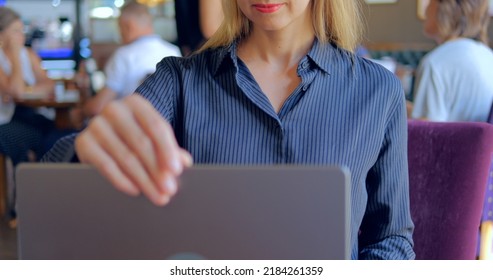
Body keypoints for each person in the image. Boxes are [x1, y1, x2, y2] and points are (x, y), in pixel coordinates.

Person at [44, 0, 415, 260]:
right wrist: (88, 151)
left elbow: (392, 238)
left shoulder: (378, 91)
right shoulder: (180, 80)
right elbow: (59, 180)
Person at [82, 1, 181, 118]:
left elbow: (97, 108)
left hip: (129, 130)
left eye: (120, 28)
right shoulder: (173, 51)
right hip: (168, 131)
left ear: (128, 27)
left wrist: (81, 109)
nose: (119, 34)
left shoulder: (123, 55)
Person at [411, 0, 493, 121]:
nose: (425, 8)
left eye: (430, 2)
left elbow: (426, 132)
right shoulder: (487, 56)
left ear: (445, 9)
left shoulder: (436, 63)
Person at [0, 6, 55, 166]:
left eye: (21, 30)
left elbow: (49, 84)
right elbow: (17, 91)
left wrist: (27, 90)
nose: (21, 35)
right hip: (7, 120)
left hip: (32, 116)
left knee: (54, 133)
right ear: (2, 34)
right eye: (16, 31)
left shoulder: (29, 55)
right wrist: (16, 56)